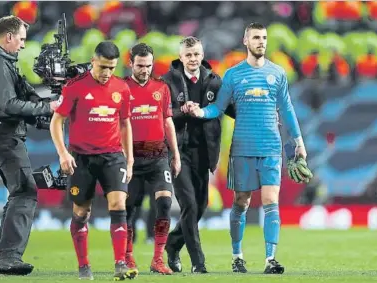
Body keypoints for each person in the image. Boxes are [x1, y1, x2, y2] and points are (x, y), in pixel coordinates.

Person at [185, 22, 307, 274]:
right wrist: (200, 111)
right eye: (256, 38)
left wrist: (299, 142)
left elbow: (287, 109)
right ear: (245, 41)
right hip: (241, 149)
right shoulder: (233, 75)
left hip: (271, 148)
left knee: (271, 200)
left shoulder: (278, 74)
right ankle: (237, 255)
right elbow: (218, 108)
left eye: (264, 37)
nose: (261, 42)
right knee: (241, 201)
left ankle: (270, 259)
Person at [50, 41, 136, 281]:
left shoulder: (122, 88)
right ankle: (84, 266)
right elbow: (57, 121)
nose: (107, 73)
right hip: (81, 159)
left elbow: (125, 123)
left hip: (112, 156)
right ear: (93, 62)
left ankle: (120, 263)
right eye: (103, 67)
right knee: (81, 213)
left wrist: (129, 161)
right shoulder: (75, 87)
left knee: (119, 206)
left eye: (112, 68)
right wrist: (63, 153)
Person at [0, 15, 57, 276]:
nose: (24, 46)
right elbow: (9, 105)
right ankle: (7, 259)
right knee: (25, 192)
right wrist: (48, 107)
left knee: (20, 192)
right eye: (22, 39)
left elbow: (19, 97)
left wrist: (43, 107)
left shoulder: (1, 60)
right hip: (1, 135)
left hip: (0, 133)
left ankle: (3, 259)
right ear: (9, 37)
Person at [162, 36, 235, 273]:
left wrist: (258, 109)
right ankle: (198, 263)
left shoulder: (215, 81)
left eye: (196, 54)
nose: (193, 59)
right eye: (188, 55)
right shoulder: (168, 81)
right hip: (177, 152)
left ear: (202, 55)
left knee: (201, 205)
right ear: (180, 57)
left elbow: (231, 109)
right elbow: (162, 114)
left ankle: (173, 244)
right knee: (190, 205)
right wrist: (182, 111)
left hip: (204, 153)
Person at [123, 43, 181, 275]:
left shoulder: (162, 88)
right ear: (131, 64)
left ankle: (158, 259)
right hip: (131, 157)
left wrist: (175, 154)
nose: (145, 70)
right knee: (129, 208)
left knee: (165, 203)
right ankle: (127, 257)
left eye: (148, 65)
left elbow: (168, 122)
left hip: (158, 155)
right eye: (140, 65)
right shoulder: (121, 88)